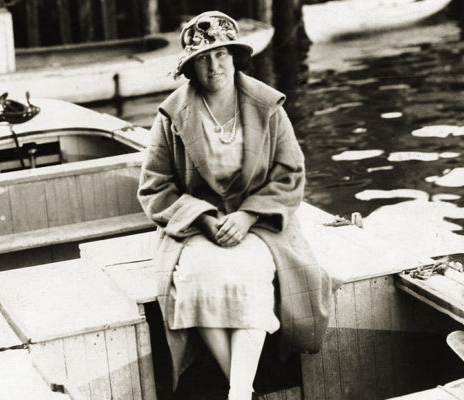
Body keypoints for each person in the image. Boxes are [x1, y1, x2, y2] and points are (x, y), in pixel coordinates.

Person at [137, 11, 333, 400]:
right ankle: (243, 390)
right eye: (204, 58)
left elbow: (290, 173)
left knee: (250, 274)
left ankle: (238, 393)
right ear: (191, 67)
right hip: (196, 223)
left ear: (236, 57)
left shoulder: (267, 107)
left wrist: (248, 215)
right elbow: (154, 186)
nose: (215, 65)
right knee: (192, 277)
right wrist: (205, 219)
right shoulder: (172, 115)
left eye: (222, 54)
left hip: (259, 220)